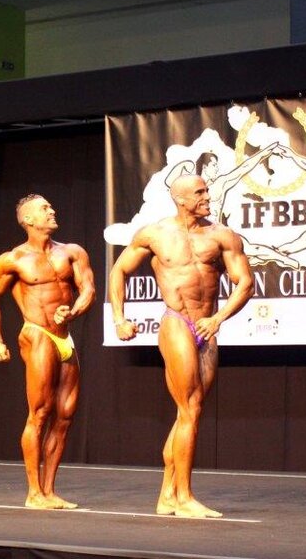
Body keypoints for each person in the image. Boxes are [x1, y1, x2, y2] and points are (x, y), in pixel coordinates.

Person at [109, 175, 254, 518]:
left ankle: (167, 496)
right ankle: (185, 496)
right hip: (177, 322)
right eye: (200, 192)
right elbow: (119, 271)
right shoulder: (154, 234)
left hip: (207, 326)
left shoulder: (222, 235)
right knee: (189, 408)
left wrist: (218, 318)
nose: (207, 197)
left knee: (191, 410)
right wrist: (119, 318)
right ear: (180, 199)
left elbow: (246, 283)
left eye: (206, 191)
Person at [0, 194, 95, 510]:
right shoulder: (13, 260)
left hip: (64, 337)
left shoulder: (72, 252)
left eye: (51, 206)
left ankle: (49, 490)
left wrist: (73, 311)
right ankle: (34, 492)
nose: (52, 210)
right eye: (45, 208)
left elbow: (88, 288)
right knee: (41, 412)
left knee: (65, 416)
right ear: (28, 220)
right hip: (37, 333)